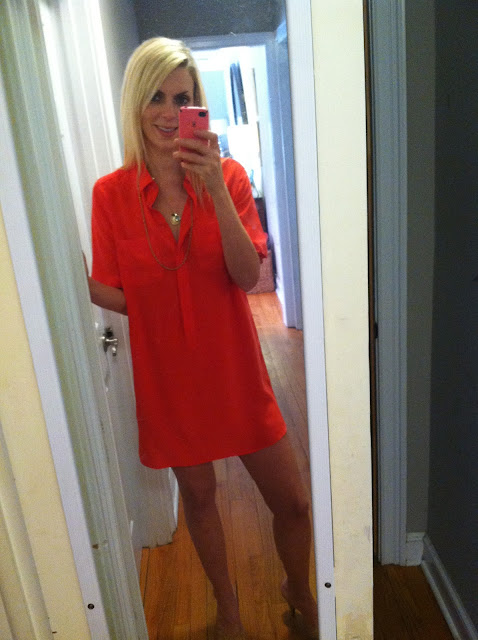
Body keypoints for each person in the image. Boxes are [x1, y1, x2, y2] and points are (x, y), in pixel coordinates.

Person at [86, 37, 318, 640]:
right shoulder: (111, 195)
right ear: (136, 104)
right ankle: (228, 608)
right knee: (199, 498)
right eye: (156, 98)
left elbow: (246, 276)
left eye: (182, 98)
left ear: (199, 107)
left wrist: (214, 187)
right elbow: (108, 288)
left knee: (293, 501)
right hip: (170, 381)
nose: (169, 113)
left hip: (236, 372)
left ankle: (301, 590)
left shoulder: (231, 177)